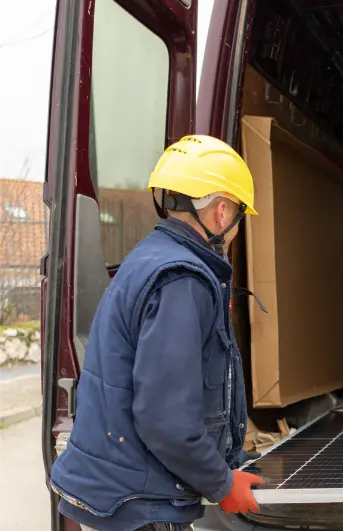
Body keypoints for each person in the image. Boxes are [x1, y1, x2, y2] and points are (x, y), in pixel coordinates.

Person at [49, 135, 265, 531]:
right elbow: (165, 419)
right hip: (135, 504)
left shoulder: (151, 258)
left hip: (121, 495)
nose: (235, 228)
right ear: (221, 213)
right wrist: (222, 484)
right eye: (238, 215)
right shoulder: (181, 282)